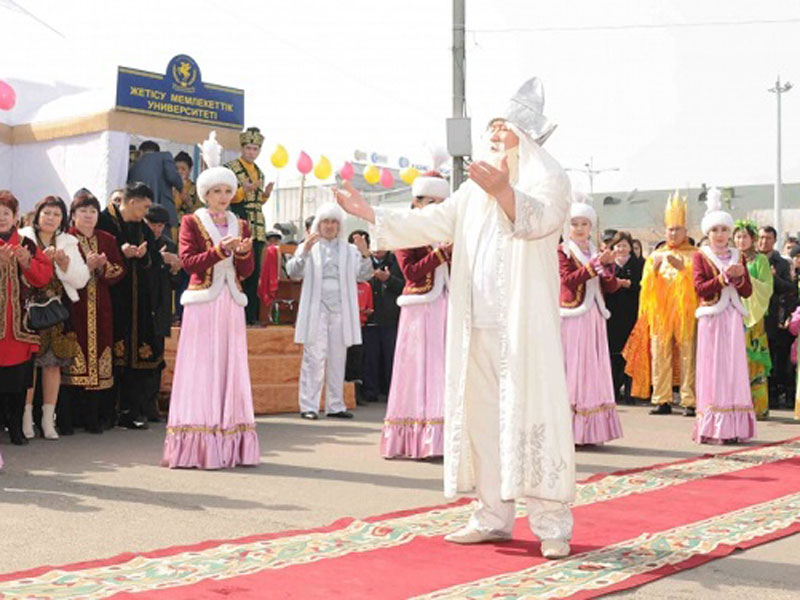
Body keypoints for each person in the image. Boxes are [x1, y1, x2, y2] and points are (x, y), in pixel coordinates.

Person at [334, 77, 576, 559]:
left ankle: (551, 523)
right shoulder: (474, 188)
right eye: (491, 126)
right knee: (484, 420)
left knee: (532, 416)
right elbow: (434, 221)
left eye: (502, 128)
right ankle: (491, 515)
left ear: (524, 136)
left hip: (522, 330)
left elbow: (542, 222)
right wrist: (371, 215)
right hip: (477, 325)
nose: (492, 133)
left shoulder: (547, 178)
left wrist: (507, 192)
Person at [162, 134, 259, 469]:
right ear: (205, 194)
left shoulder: (240, 223)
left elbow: (246, 270)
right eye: (216, 192)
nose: (222, 197)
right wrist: (222, 250)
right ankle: (199, 439)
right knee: (202, 366)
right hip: (203, 302)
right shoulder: (192, 221)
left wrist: (244, 253)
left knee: (230, 365)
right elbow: (188, 262)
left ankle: (230, 438)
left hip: (231, 300)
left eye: (227, 192)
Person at [382, 172, 451, 459]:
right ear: (417, 201)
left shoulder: (450, 230)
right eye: (430, 201)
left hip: (447, 302)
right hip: (419, 306)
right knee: (419, 367)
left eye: (440, 202)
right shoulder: (406, 230)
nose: (435, 206)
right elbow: (409, 272)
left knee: (444, 367)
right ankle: (413, 434)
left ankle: (444, 434)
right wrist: (441, 255)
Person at [287, 202, 373, 420]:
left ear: (339, 225)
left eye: (334, 222)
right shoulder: (308, 246)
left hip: (341, 309)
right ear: (318, 224)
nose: (329, 226)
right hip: (316, 308)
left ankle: (335, 405)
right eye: (325, 221)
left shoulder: (350, 250)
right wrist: (304, 251)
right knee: (314, 357)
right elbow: (293, 273)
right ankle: (309, 405)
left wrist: (365, 255)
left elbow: (363, 275)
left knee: (337, 357)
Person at [19, 196, 90, 439]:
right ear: (37, 215)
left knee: (52, 365)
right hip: (27, 310)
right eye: (47, 213)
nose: (51, 218)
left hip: (57, 311)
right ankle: (25, 418)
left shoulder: (69, 241)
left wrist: (65, 263)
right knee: (28, 366)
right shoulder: (23, 238)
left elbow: (81, 280)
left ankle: (48, 420)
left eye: (57, 214)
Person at [97, 181, 164, 430]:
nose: (145, 212)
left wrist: (144, 254)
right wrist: (119, 252)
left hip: (138, 302)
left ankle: (130, 410)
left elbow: (154, 257)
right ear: (132, 202)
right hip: (112, 298)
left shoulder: (140, 227)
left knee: (137, 356)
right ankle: (104, 412)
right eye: (144, 206)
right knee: (112, 355)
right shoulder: (105, 221)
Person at [60, 191, 126, 433]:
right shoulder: (66, 239)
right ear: (73, 215)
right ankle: (67, 419)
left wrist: (104, 266)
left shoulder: (107, 238)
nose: (88, 216)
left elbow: (120, 270)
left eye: (92, 211)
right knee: (72, 360)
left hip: (101, 307)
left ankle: (94, 419)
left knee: (99, 359)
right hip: (74, 307)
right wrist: (85, 267)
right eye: (83, 211)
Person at [559, 198, 623, 445]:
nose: (580, 228)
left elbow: (610, 287)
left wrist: (607, 269)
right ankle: (570, 427)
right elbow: (568, 280)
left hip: (595, 314)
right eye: (575, 223)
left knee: (594, 370)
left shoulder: (595, 251)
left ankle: (592, 429)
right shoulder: (562, 251)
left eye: (585, 223)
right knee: (574, 369)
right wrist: (596, 265)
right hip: (573, 316)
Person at [628, 192, 698, 415]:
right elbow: (645, 286)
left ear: (686, 231)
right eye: (670, 229)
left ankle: (689, 400)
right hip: (660, 314)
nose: (674, 233)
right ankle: (662, 398)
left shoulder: (695, 255)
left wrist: (683, 269)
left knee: (689, 355)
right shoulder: (656, 255)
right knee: (660, 355)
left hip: (686, 314)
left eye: (678, 228)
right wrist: (655, 271)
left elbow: (699, 284)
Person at [693, 190, 754, 444]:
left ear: (730, 232)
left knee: (734, 370)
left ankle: (735, 425)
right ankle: (714, 426)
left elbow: (748, 291)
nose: (720, 235)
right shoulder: (701, 256)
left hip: (732, 317)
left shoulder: (738, 255)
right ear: (708, 233)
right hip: (712, 319)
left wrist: (740, 277)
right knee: (714, 370)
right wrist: (724, 278)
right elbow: (699, 288)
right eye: (715, 230)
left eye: (724, 230)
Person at [0, 190, 53, 449]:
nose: (1, 218)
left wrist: (27, 262)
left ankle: (16, 428)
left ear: (15, 217)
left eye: (6, 213)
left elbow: (43, 278)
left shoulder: (27, 244)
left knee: (19, 380)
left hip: (21, 327)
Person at [225, 127, 274, 325]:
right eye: (248, 148)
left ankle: (250, 315)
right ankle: (234, 315)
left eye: (255, 149)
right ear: (242, 148)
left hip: (258, 223)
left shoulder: (259, 172)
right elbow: (228, 196)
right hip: (240, 219)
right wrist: (242, 190)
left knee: (254, 270)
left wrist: (265, 195)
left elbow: (258, 201)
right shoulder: (230, 168)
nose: (251, 152)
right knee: (238, 266)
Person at [144, 204, 182, 422]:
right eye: (153, 225)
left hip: (161, 307)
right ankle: (135, 405)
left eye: (160, 226)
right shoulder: (140, 241)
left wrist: (175, 268)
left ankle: (152, 404)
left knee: (158, 357)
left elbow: (176, 282)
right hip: (141, 305)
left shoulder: (169, 244)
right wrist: (157, 260)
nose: (156, 230)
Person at [734, 220, 773, 421]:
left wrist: (745, 278)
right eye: (738, 236)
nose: (741, 240)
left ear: (752, 239)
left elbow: (767, 288)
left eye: (745, 237)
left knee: (754, 360)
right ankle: (738, 404)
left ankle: (758, 406)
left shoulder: (760, 261)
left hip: (754, 318)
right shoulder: (731, 258)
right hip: (734, 315)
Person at [758, 225, 797, 409]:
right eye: (761, 237)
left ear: (774, 240)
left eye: (767, 238)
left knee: (773, 357)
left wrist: (774, 278)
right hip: (753, 316)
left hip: (773, 317)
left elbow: (790, 289)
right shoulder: (750, 259)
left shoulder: (781, 263)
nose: (763, 241)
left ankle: (772, 395)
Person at [362, 245, 404, 403]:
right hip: (369, 319)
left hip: (391, 318)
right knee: (369, 358)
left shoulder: (397, 262)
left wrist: (388, 280)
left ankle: (392, 392)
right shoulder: (363, 262)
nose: (376, 249)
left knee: (392, 357)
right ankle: (370, 391)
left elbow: (406, 287)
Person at [605, 231, 642, 405]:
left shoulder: (639, 264)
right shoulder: (609, 264)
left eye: (625, 245)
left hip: (631, 312)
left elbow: (643, 286)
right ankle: (612, 390)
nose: (621, 249)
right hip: (612, 313)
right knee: (613, 354)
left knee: (631, 353)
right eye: (618, 245)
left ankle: (630, 392)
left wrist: (630, 284)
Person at [127, 141, 184, 233]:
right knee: (165, 243)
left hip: (141, 214)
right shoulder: (164, 156)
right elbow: (173, 177)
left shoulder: (134, 167)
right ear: (157, 151)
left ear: (141, 152)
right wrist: (181, 187)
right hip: (163, 212)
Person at [257, 230, 283, 320]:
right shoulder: (265, 251)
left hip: (280, 278)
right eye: (271, 240)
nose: (273, 243)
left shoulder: (279, 251)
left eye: (276, 240)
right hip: (264, 278)